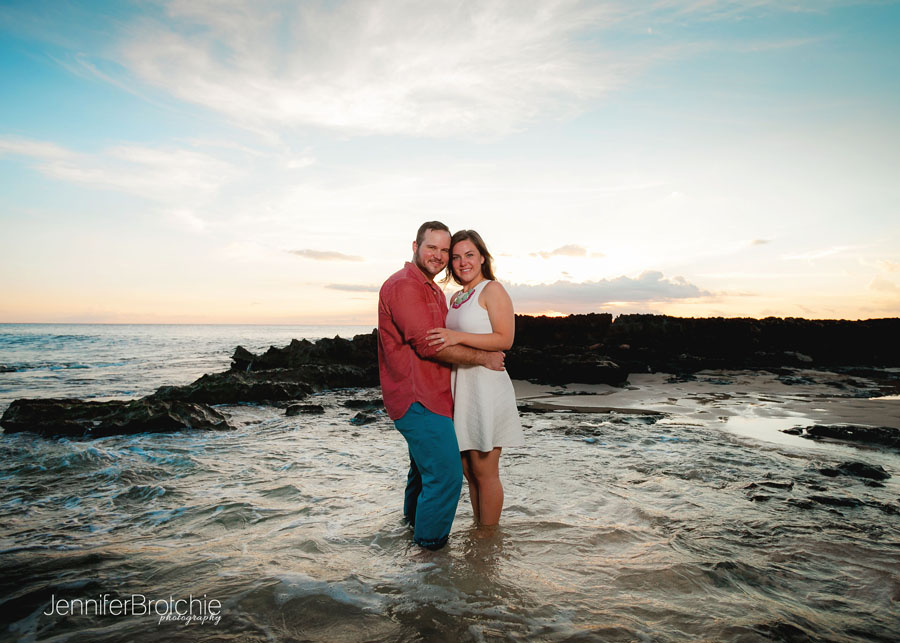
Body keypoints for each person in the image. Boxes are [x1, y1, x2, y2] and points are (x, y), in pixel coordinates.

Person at [378, 221, 506, 551]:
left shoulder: (432, 289)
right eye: (431, 247)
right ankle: (430, 555)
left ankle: (411, 544)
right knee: (446, 476)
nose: (439, 255)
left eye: (444, 250)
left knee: (423, 474)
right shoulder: (406, 286)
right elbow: (428, 345)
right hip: (418, 399)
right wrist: (483, 358)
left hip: (437, 397)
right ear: (415, 247)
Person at [426, 230, 524, 527]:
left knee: (485, 471)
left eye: (469, 255)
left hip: (486, 386)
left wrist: (457, 337)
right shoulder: (456, 297)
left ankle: (488, 537)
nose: (462, 262)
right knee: (469, 471)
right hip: (462, 388)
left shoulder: (492, 289)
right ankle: (479, 530)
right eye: (456, 257)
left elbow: (505, 339)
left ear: (482, 257)